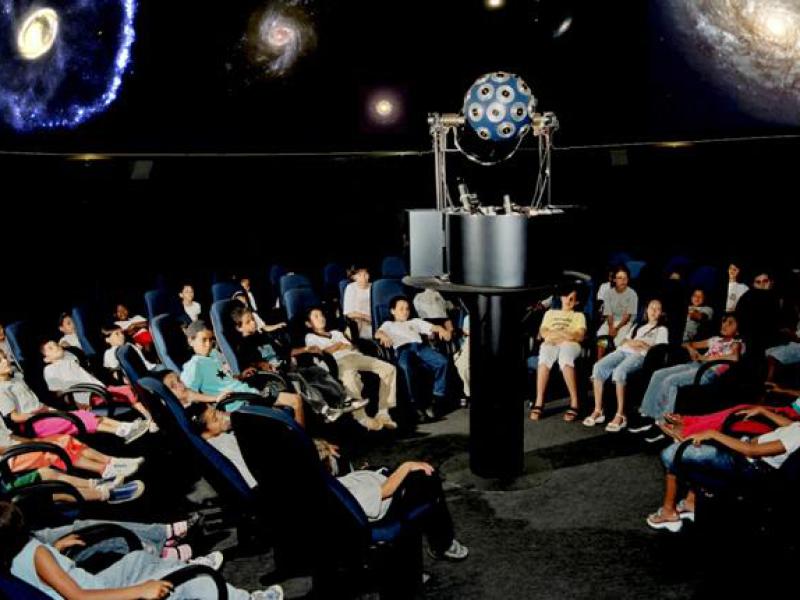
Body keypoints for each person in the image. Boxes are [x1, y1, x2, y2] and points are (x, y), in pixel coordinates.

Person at [0, 501, 284, 599]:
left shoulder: (12, 558)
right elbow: (80, 597)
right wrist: (140, 591)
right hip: (96, 592)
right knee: (188, 579)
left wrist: (53, 549)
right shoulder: (38, 554)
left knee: (138, 559)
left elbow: (43, 577)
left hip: (93, 583)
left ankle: (180, 568)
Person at [646, 406, 800, 532]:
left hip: (746, 464)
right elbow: (792, 426)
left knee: (671, 454)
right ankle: (690, 502)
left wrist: (713, 435)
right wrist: (763, 411)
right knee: (695, 441)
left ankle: (669, 513)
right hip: (745, 452)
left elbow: (752, 451)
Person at [0, 348, 150, 443]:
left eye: (4, 357)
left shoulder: (17, 379)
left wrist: (49, 410)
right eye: (0, 361)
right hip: (33, 423)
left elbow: (35, 402)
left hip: (44, 414)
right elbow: (14, 417)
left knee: (82, 415)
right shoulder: (2, 389)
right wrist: (38, 414)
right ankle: (122, 430)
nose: (6, 361)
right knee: (77, 419)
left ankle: (124, 427)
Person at [180, 320, 307, 421]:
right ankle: (301, 442)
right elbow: (186, 395)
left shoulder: (214, 354)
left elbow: (223, 379)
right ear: (191, 341)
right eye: (203, 340)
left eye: (210, 339)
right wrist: (215, 398)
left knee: (295, 400)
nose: (208, 344)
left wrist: (240, 376)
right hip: (237, 403)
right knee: (295, 402)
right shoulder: (194, 365)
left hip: (248, 392)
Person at [638, 314, 743, 424]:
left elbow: (734, 357)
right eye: (724, 321)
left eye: (730, 323)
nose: (725, 325)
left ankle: (664, 421)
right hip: (695, 365)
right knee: (658, 374)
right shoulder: (715, 340)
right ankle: (647, 413)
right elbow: (687, 344)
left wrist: (705, 358)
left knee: (670, 381)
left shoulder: (736, 343)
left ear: (737, 331)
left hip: (708, 372)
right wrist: (691, 350)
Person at [304, 307, 397, 431]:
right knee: (351, 380)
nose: (321, 318)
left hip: (354, 356)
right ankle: (362, 418)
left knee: (389, 369)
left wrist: (336, 347)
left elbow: (351, 346)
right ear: (308, 323)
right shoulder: (310, 337)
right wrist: (339, 345)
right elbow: (322, 352)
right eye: (316, 316)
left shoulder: (336, 333)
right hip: (336, 362)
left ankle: (383, 412)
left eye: (321, 315)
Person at [585, 298, 668, 432]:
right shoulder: (638, 326)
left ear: (662, 313)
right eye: (651, 307)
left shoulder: (661, 329)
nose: (654, 311)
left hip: (640, 354)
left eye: (657, 309)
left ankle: (620, 415)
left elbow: (659, 350)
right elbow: (623, 341)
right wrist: (632, 343)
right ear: (646, 310)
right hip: (623, 350)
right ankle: (598, 410)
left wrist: (641, 344)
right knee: (598, 367)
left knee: (619, 371)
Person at [375, 296, 451, 422]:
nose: (405, 312)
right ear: (392, 311)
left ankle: (437, 398)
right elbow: (378, 333)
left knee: (442, 362)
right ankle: (414, 405)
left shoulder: (415, 321)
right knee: (405, 367)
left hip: (420, 348)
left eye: (407, 309)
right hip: (404, 349)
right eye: (401, 309)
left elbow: (434, 327)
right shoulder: (388, 324)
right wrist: (384, 336)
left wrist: (442, 330)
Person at [41, 341, 154, 425]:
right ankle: (149, 418)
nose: (56, 347)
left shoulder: (69, 360)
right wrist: (74, 400)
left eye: (56, 344)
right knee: (127, 391)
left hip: (98, 390)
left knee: (130, 389)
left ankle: (148, 417)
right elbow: (57, 391)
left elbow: (75, 356)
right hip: (87, 396)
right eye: (50, 348)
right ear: (46, 359)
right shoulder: (50, 370)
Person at [529, 285, 586, 423]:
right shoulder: (550, 313)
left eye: (572, 299)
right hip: (552, 343)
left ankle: (574, 401)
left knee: (565, 358)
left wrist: (557, 334)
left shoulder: (579, 316)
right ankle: (539, 401)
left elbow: (580, 336)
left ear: (577, 302)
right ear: (561, 297)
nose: (568, 300)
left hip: (571, 344)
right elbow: (543, 332)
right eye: (566, 296)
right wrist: (566, 334)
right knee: (544, 358)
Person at [596, 266, 638, 359]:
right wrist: (611, 327)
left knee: (618, 341)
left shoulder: (632, 294)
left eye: (625, 278)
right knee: (602, 337)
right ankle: (599, 362)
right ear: (615, 279)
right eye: (619, 278)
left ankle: (613, 361)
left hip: (625, 323)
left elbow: (627, 316)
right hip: (611, 321)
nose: (622, 281)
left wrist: (616, 329)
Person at [343, 265, 373, 340]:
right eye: (359, 275)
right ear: (354, 277)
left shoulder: (374, 287)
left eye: (365, 274)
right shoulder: (351, 288)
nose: (363, 278)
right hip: (359, 323)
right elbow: (349, 313)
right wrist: (367, 318)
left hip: (375, 321)